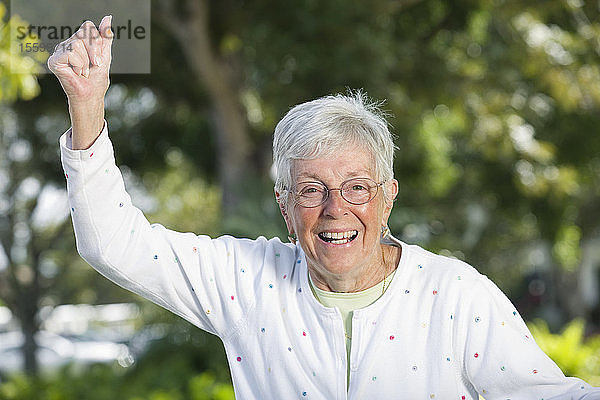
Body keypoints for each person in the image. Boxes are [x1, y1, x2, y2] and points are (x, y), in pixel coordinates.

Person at [48, 17, 600, 400]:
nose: (336, 209)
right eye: (312, 189)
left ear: (389, 196)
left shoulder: (454, 293)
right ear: (284, 205)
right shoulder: (245, 280)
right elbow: (112, 243)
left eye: (357, 187)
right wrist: (88, 106)